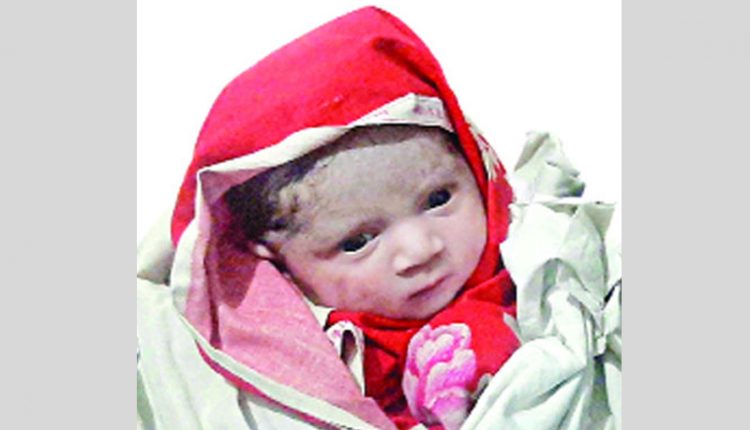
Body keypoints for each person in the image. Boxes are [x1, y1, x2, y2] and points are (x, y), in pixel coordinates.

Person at [137, 6, 621, 430]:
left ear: (475, 163)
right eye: (357, 242)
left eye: (438, 199)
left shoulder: (549, 265)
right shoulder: (295, 361)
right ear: (275, 258)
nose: (420, 250)